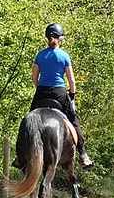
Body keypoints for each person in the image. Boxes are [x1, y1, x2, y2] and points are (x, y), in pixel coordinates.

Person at [29, 23, 93, 168]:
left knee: (29, 120)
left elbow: (34, 76)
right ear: (60, 39)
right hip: (59, 92)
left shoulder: (40, 55)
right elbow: (71, 80)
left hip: (42, 92)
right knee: (73, 120)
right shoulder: (64, 55)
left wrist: (39, 87)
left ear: (47, 38)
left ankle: (20, 157)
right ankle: (83, 155)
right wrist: (72, 94)